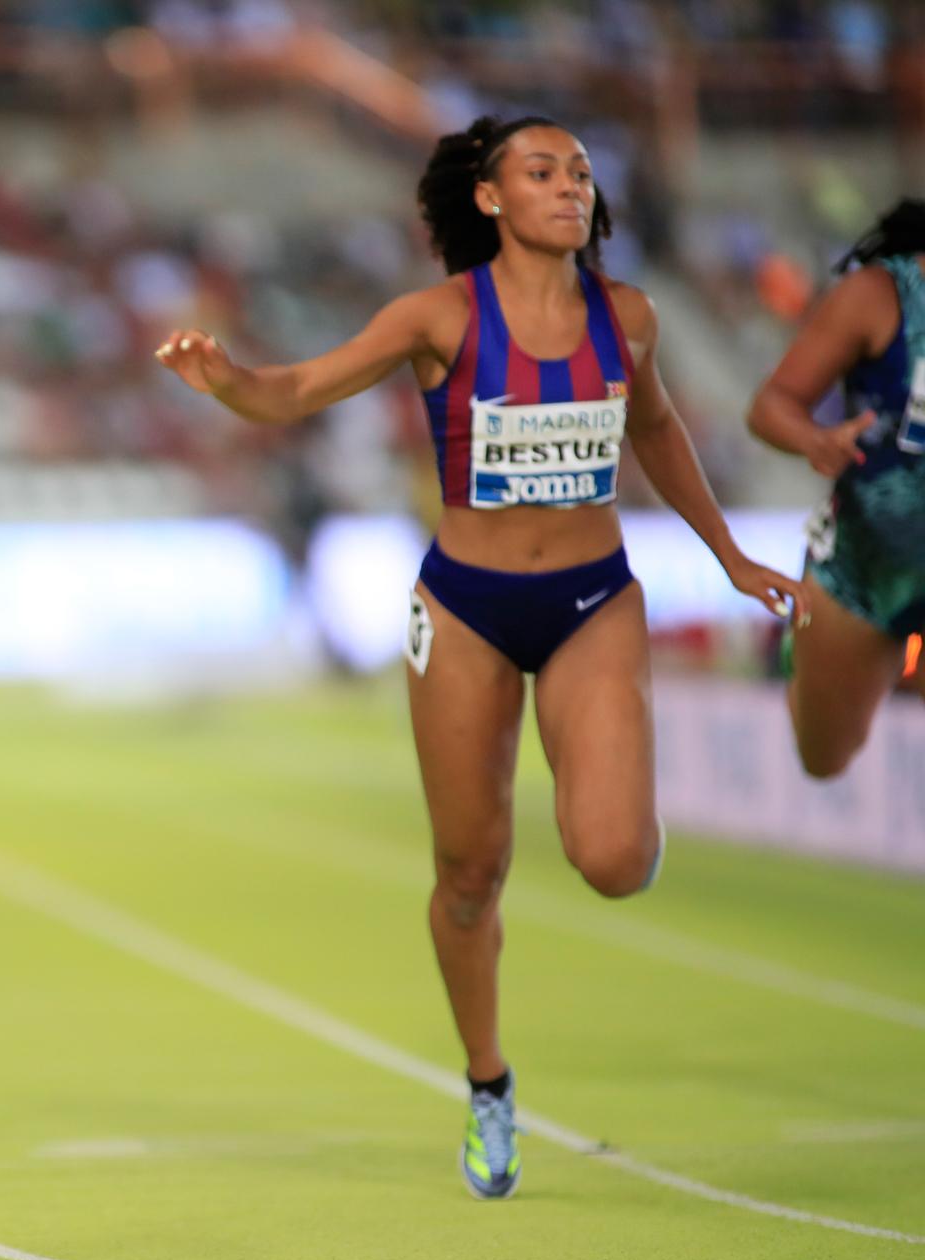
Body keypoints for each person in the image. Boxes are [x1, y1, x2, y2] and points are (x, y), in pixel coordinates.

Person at [155, 115, 801, 1200]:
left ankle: (616, 806)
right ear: (490, 200)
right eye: (540, 172)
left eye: (581, 173)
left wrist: (727, 552)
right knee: (467, 872)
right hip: (462, 608)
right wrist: (227, 380)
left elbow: (652, 431)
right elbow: (293, 391)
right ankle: (488, 1081)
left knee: (610, 859)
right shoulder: (438, 316)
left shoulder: (627, 320)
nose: (569, 188)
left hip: (591, 598)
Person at [747, 198, 925, 775]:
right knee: (824, 756)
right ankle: (804, 662)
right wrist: (814, 440)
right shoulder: (879, 295)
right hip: (863, 566)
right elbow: (771, 406)